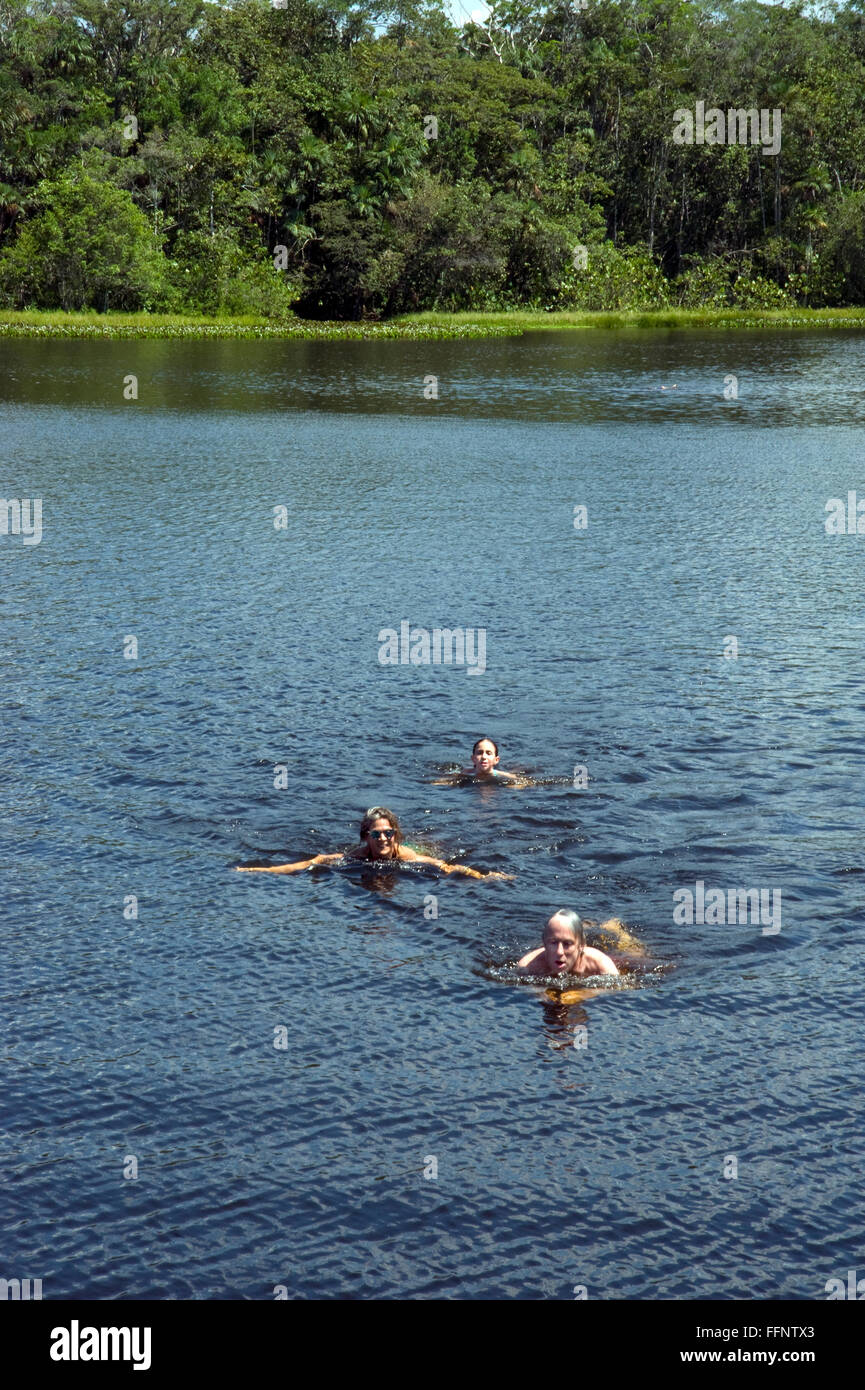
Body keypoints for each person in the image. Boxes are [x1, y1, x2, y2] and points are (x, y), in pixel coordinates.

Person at [236, 806, 513, 879]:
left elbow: (445, 867)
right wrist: (260, 871)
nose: (382, 838)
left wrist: (484, 876)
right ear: (366, 837)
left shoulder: (406, 857)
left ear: (395, 835)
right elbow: (313, 862)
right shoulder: (356, 856)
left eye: (388, 833)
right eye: (376, 834)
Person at [516, 910, 619, 977]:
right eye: (553, 942)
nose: (559, 952)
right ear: (544, 944)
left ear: (581, 946)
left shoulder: (600, 964)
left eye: (567, 944)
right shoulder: (527, 967)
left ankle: (611, 926)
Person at [433, 737, 520, 785]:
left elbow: (521, 782)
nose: (484, 756)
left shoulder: (503, 775)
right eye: (480, 753)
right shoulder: (464, 773)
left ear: (496, 760)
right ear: (473, 759)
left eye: (488, 753)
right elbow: (442, 781)